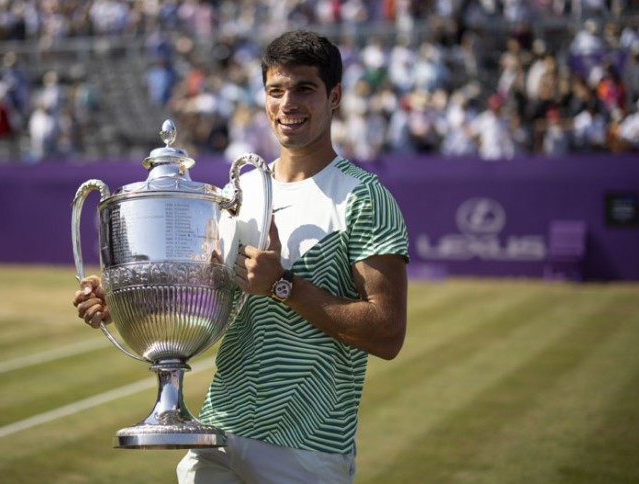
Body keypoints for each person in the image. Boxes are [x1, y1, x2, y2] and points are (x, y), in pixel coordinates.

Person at [73, 30, 410, 483]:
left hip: (306, 448)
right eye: (276, 90)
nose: (287, 103)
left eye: (304, 89)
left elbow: (387, 332)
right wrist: (128, 301)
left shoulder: (364, 197)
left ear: (334, 97)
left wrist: (282, 284)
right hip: (216, 433)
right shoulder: (240, 192)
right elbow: (208, 296)